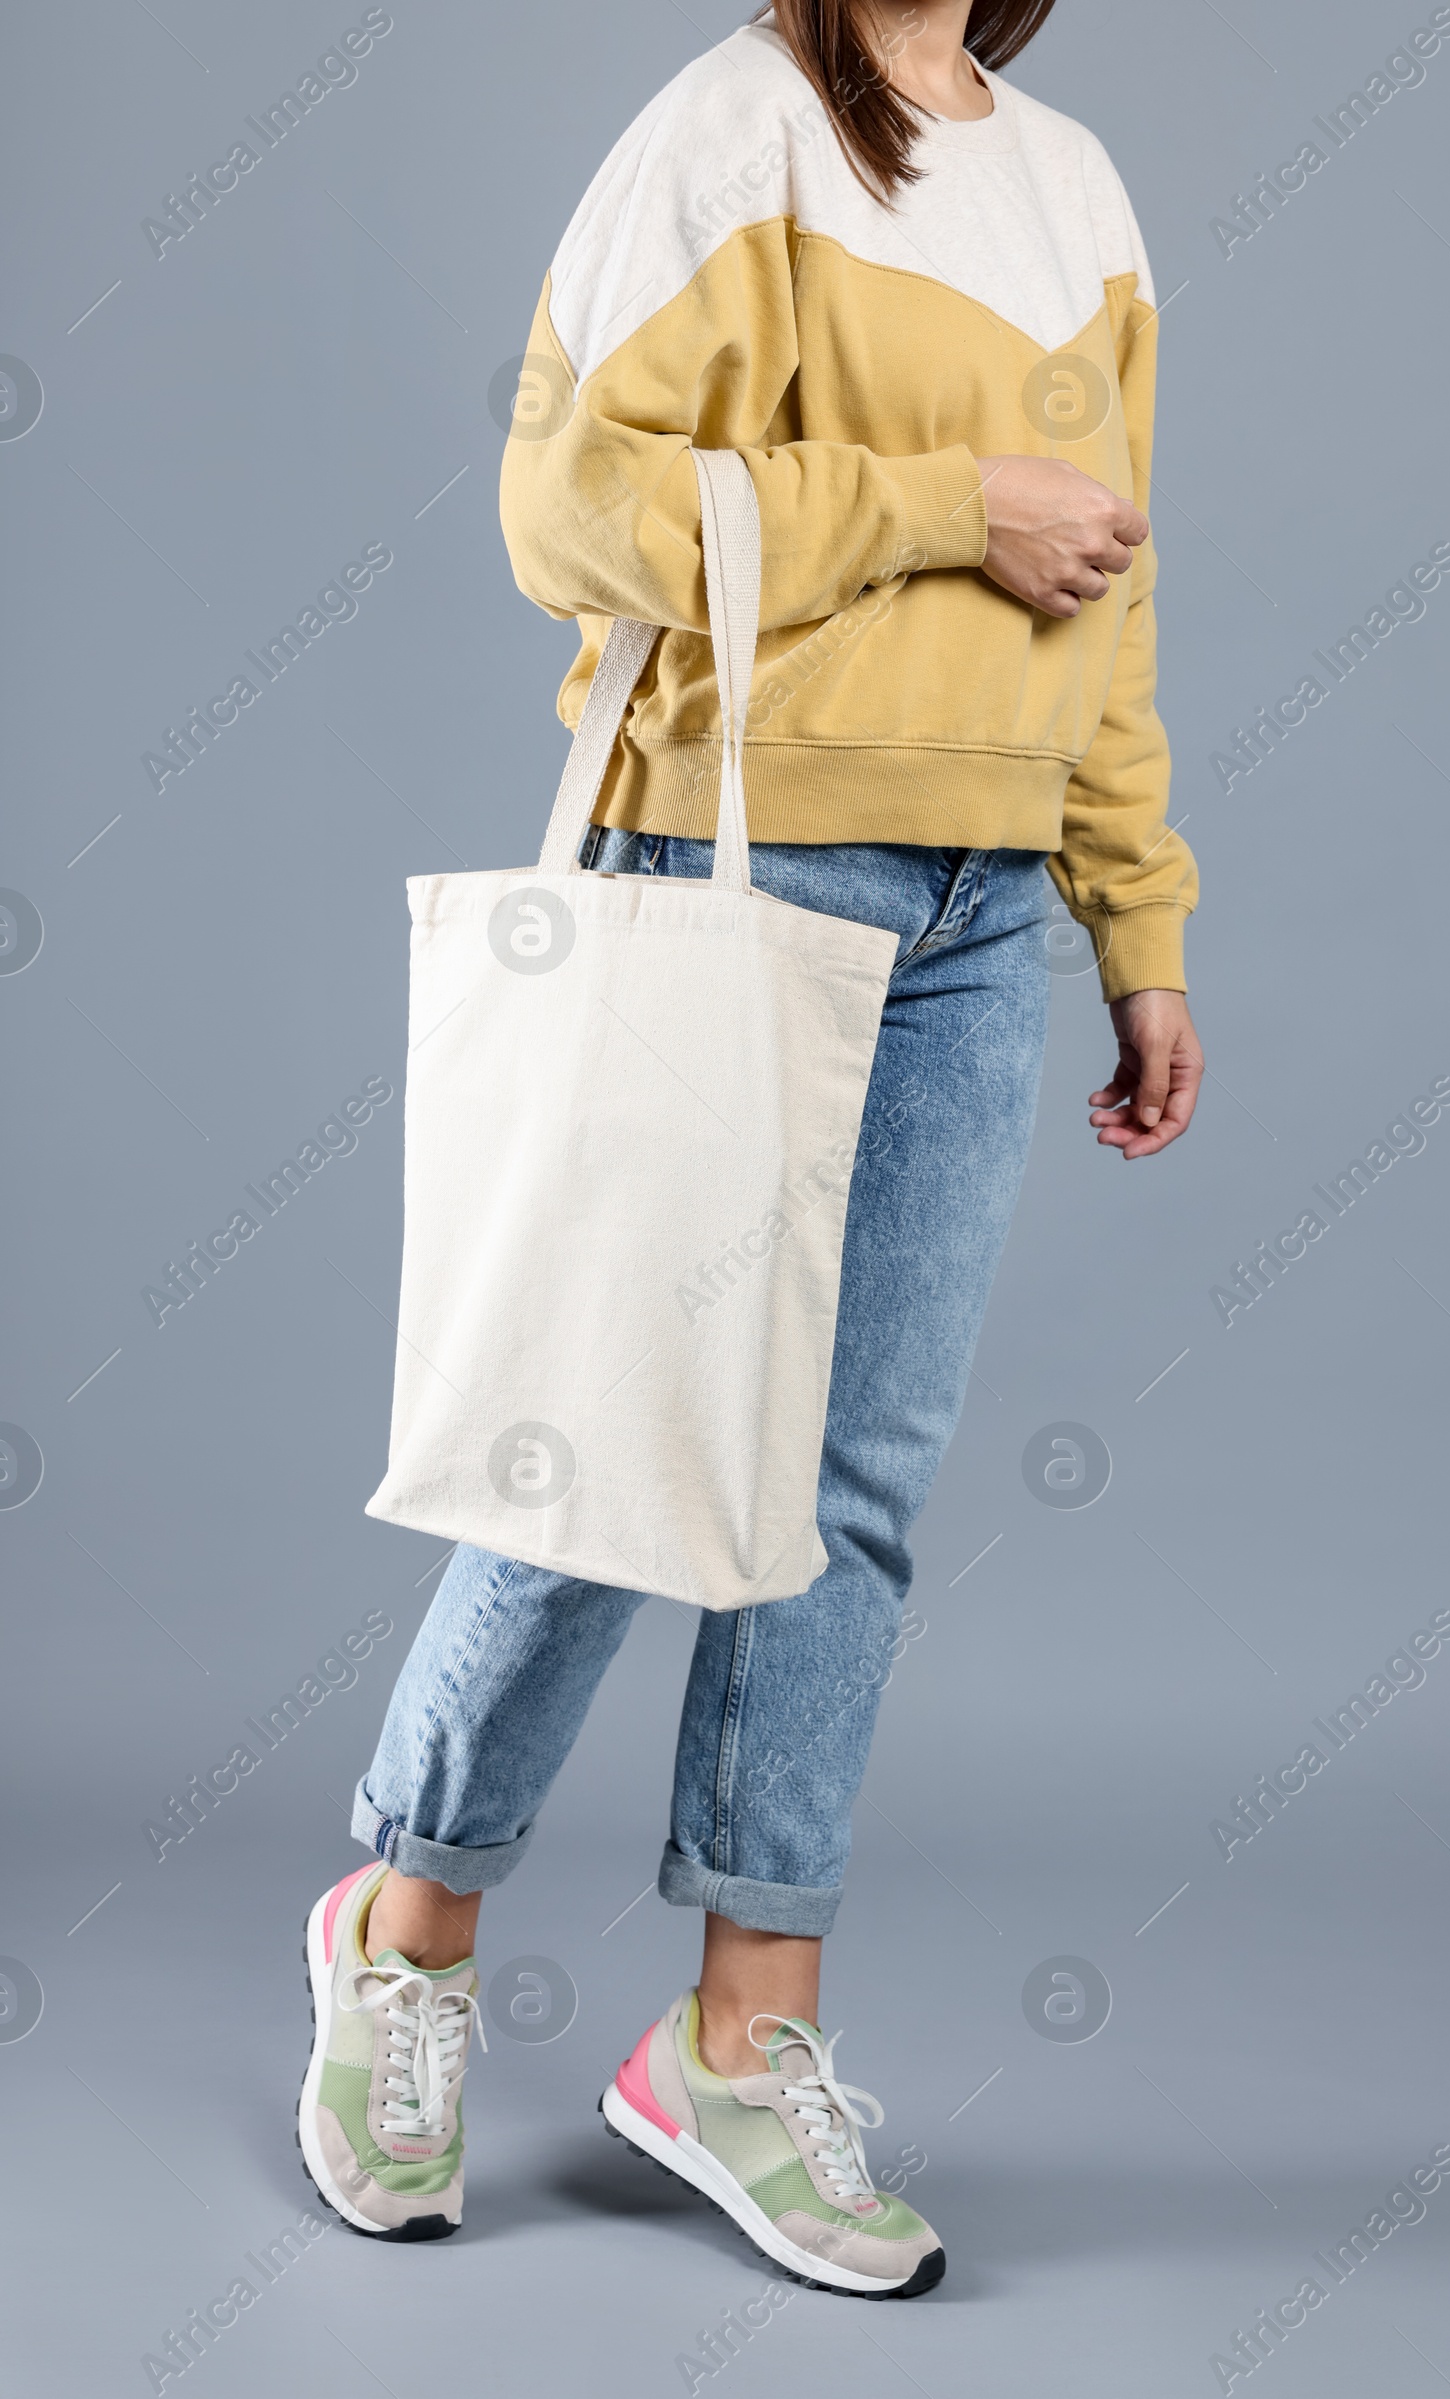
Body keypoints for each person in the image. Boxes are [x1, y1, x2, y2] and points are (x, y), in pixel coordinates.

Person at [296, 0, 1202, 2292]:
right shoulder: (731, 130)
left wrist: (1137, 919)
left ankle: (735, 2037)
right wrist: (934, 504)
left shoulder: (1075, 188)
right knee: (606, 1450)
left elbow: (1116, 590)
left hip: (987, 909)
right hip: (740, 864)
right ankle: (401, 1940)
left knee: (853, 1495)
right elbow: (559, 509)